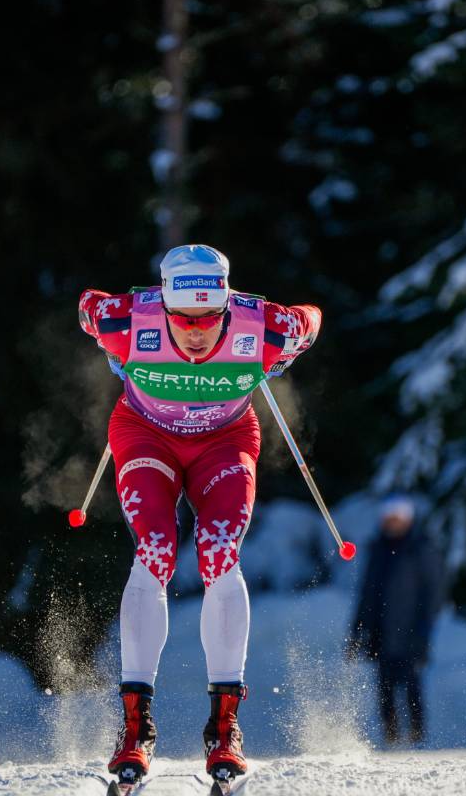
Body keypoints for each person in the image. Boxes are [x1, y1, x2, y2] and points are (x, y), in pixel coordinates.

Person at [77, 244, 321, 788]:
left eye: (209, 319)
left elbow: (312, 320)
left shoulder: (263, 327)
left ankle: (224, 728)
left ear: (227, 306)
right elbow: (88, 305)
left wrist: (287, 348)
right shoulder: (128, 319)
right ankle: (135, 730)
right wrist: (110, 345)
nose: (195, 332)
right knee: (157, 547)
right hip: (145, 435)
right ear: (162, 308)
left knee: (217, 551)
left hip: (225, 440)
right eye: (182, 320)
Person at [347, 496, 443, 746]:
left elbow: (433, 593)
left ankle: (416, 736)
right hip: (381, 631)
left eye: (397, 519)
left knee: (411, 684)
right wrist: (358, 630)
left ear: (408, 520)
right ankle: (390, 735)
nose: (392, 524)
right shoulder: (377, 549)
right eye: (388, 519)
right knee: (384, 687)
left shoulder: (420, 548)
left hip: (411, 630)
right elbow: (366, 593)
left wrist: (424, 630)